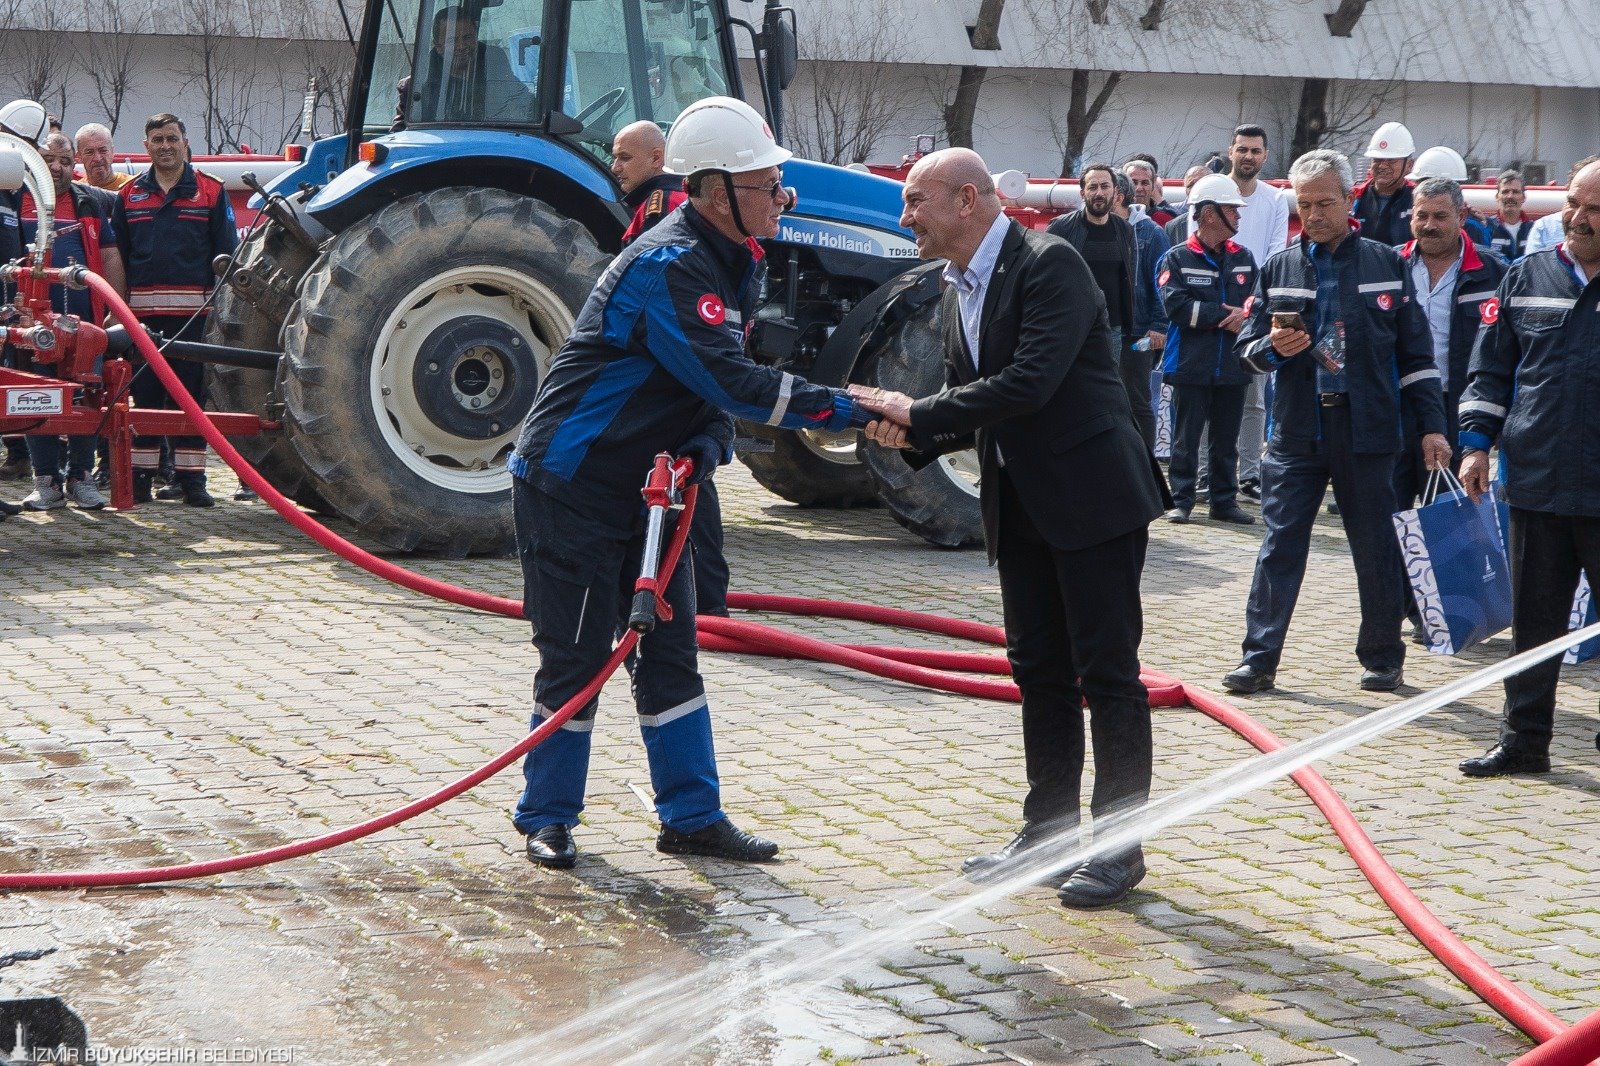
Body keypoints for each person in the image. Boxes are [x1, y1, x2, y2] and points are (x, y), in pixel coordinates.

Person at [508, 96, 864, 869]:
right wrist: (852, 407)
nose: (781, 198)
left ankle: (691, 816)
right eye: (767, 185)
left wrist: (703, 446)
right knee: (574, 657)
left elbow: (701, 392)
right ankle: (547, 817)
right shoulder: (670, 263)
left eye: (778, 185)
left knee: (671, 656)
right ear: (713, 190)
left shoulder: (737, 260)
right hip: (575, 487)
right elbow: (731, 378)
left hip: (654, 492)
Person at [852, 148, 1168, 909]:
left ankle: (1119, 849)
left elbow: (1029, 382)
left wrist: (918, 412)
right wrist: (915, 438)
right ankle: (1048, 834)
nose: (905, 220)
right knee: (1038, 673)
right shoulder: (953, 284)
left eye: (914, 202)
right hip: (1022, 506)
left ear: (967, 199)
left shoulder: (1048, 263)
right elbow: (975, 391)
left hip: (1093, 502)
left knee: (1108, 675)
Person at [1223, 149, 1449, 695]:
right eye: (1305, 204)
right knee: (1280, 545)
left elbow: (1417, 357)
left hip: (1368, 429)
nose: (1315, 214)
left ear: (1350, 200)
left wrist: (1432, 427)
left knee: (1375, 545)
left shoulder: (1386, 265)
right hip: (1298, 431)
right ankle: (1259, 659)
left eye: (1325, 202)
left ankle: (1382, 656)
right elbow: (1246, 349)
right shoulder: (1278, 267)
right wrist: (1272, 347)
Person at [1456, 156, 1600, 777]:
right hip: (1536, 481)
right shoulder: (1526, 275)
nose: (1578, 218)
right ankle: (1523, 742)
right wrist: (1476, 444)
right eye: (1574, 202)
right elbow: (1490, 370)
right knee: (1536, 623)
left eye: (1595, 210)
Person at [611, 119, 728, 617]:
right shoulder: (663, 207)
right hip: (676, 367)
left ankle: (702, 607)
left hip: (673, 370)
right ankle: (699, 604)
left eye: (625, 158)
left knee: (686, 481)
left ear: (659, 159)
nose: (615, 167)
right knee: (683, 477)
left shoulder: (664, 210)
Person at [112, 114, 238, 507]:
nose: (165, 146)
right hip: (143, 322)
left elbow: (226, 258)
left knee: (191, 398)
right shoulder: (128, 196)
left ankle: (192, 480)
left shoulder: (210, 192)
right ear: (146, 146)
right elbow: (117, 260)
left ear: (185, 143)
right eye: (157, 140)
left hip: (193, 322)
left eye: (171, 138)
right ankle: (142, 478)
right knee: (145, 399)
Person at [15, 132, 127, 511]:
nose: (57, 167)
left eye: (64, 160)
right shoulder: (15, 200)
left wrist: (115, 307)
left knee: (88, 396)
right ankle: (45, 480)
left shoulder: (87, 202)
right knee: (32, 400)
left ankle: (81, 476)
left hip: (86, 328)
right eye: (48, 159)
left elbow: (110, 255)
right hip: (28, 326)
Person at [1393, 175, 1505, 510]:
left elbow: (1506, 349)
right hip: (1398, 406)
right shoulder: (1388, 265)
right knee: (1384, 516)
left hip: (1457, 408)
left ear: (1461, 217)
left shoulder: (1494, 273)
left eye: (1440, 216)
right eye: (1421, 215)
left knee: (1449, 518)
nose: (1428, 225)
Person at [1157, 173, 1257, 526]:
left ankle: (1223, 501)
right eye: (1233, 209)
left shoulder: (1244, 258)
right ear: (1210, 213)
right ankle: (1181, 500)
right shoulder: (1177, 258)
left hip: (1232, 364)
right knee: (1186, 438)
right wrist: (1224, 315)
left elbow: (1254, 306)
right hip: (1190, 363)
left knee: (1225, 439)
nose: (1240, 216)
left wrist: (1243, 316)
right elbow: (1177, 308)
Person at [1224, 125, 1290, 502]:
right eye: (1242, 149)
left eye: (1255, 151)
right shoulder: (1211, 191)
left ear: (1265, 156)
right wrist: (1227, 308)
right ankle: (1207, 475)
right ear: (1231, 151)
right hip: (1217, 313)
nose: (1248, 156)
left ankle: (1249, 474)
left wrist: (1248, 310)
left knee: (1254, 400)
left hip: (1255, 313)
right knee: (1208, 397)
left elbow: (1273, 257)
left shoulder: (1276, 200)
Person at [1046, 163, 1135, 364]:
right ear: (1082, 193)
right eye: (1092, 187)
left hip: (1111, 328)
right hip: (1069, 326)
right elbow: (1044, 277)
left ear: (1115, 192)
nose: (1099, 193)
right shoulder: (1061, 228)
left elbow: (1128, 278)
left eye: (1105, 186)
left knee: (1106, 390)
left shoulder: (1124, 229)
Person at [1111, 170, 1168, 449]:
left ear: (1118, 195)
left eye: (1104, 190)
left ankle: (1145, 465)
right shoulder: (1094, 228)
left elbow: (1162, 284)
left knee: (1137, 399)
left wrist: (1159, 326)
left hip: (1138, 334)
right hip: (1103, 331)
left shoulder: (1151, 232)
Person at [403, 7, 530, 126]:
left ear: (476, 37)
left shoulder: (497, 70)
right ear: (438, 46)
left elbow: (525, 104)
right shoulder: (415, 86)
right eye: (452, 40)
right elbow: (403, 136)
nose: (461, 46)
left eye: (467, 37)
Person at [614, 121, 686, 245]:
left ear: (656, 158)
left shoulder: (661, 206)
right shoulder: (677, 195)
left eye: (625, 158)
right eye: (614, 158)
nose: (615, 168)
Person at [1351, 121, 1417, 247]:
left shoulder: (1419, 200)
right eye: (1377, 159)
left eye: (1391, 160)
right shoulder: (1353, 198)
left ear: (1409, 165)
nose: (1382, 165)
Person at [1486, 169, 1533, 261]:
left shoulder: (1534, 230)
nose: (1510, 196)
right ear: (1497, 197)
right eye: (1505, 192)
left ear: (1523, 197)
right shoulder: (1487, 228)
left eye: (1515, 192)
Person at [73, 123, 133, 192]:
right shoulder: (76, 192)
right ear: (79, 156)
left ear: (112, 151)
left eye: (103, 151)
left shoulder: (131, 187)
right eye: (90, 152)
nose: (98, 158)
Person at [1164, 166, 1210, 246]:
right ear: (1185, 189)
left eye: (1200, 184)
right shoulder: (1173, 224)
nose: (1196, 189)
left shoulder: (1226, 219)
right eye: (1191, 185)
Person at [1122, 157, 1175, 227]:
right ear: (1124, 184)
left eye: (1145, 183)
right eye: (1133, 182)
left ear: (1153, 186)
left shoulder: (1167, 220)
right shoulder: (1110, 218)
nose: (1139, 188)